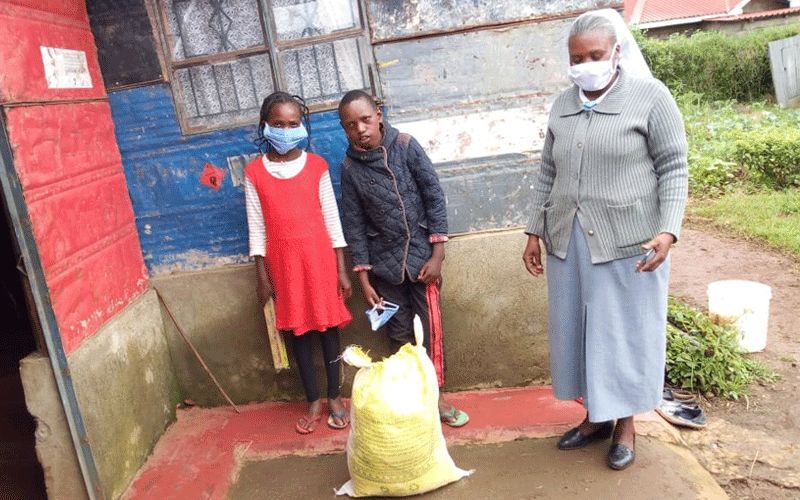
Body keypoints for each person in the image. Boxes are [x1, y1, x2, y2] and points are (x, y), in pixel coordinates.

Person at [522, 9, 688, 470]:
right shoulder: (563, 104)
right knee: (578, 330)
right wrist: (534, 229)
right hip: (568, 238)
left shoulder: (650, 97)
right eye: (577, 58)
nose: (586, 64)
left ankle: (626, 425)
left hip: (629, 241)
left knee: (622, 334)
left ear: (617, 52)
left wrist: (668, 229)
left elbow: (674, 167)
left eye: (595, 55)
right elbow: (547, 172)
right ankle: (595, 416)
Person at [337, 90, 469, 428]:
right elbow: (354, 223)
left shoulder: (406, 146)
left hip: (423, 262)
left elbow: (433, 196)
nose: (360, 129)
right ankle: (412, 396)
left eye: (365, 120)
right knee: (397, 335)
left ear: (378, 115)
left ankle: (437, 397)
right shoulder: (350, 169)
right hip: (385, 268)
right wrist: (364, 278)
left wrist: (438, 254)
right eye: (350, 125)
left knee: (430, 332)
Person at [244, 91, 353, 434]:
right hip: (283, 266)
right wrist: (262, 278)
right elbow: (256, 228)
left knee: (329, 330)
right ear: (265, 125)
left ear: (302, 126)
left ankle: (335, 396)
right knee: (299, 334)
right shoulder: (254, 173)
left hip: (319, 261)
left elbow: (332, 220)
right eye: (278, 124)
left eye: (293, 124)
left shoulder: (317, 166)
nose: (286, 130)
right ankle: (313, 401)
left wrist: (341, 269)